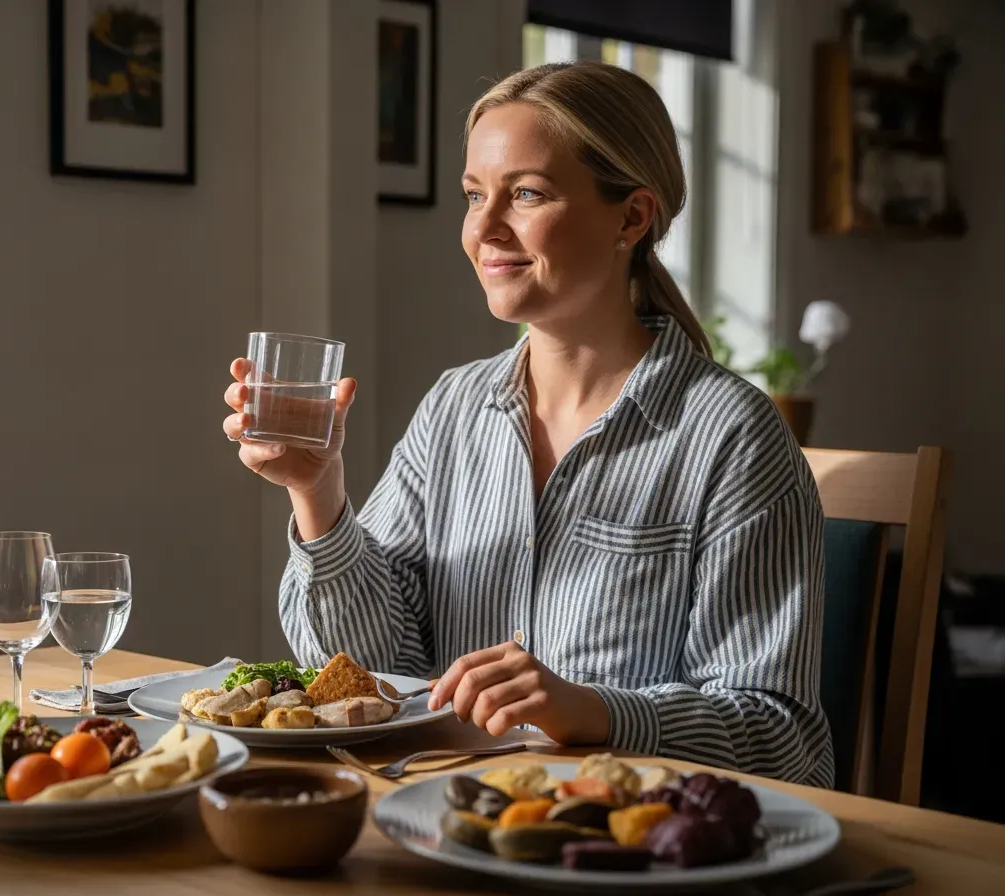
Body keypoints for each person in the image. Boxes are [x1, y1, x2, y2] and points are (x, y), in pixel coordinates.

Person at [222, 62, 834, 788]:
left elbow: (783, 740)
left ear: (632, 218)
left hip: (628, 851)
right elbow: (379, 676)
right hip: (448, 818)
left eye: (527, 195)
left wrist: (595, 712)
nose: (483, 229)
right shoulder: (453, 409)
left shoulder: (734, 439)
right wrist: (318, 496)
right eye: (474, 196)